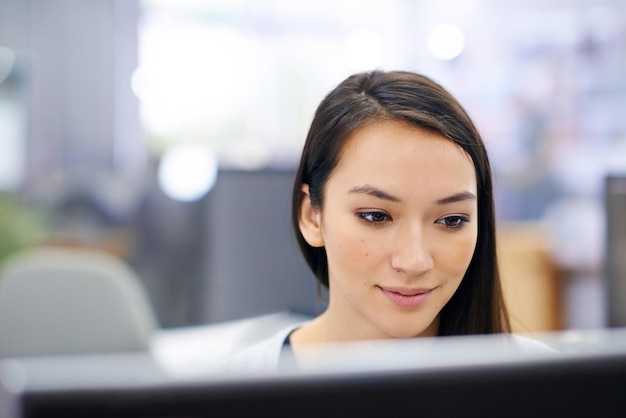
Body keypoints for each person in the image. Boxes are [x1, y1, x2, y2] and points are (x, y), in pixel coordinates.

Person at [224, 70, 551, 373]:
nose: (415, 261)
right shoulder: (233, 391)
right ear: (311, 216)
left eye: (451, 220)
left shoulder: (544, 384)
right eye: (376, 216)